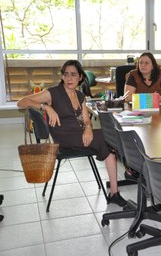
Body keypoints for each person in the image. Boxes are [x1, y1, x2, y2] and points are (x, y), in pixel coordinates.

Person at [17, 60, 127, 207]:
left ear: (80, 77)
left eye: (73, 75)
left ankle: (115, 193)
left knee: (108, 143)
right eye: (66, 74)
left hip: (79, 135)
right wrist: (45, 107)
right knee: (108, 137)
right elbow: (21, 102)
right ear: (62, 76)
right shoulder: (53, 93)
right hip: (64, 139)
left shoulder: (80, 95)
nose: (69, 79)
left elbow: (87, 121)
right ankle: (131, 169)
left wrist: (88, 128)